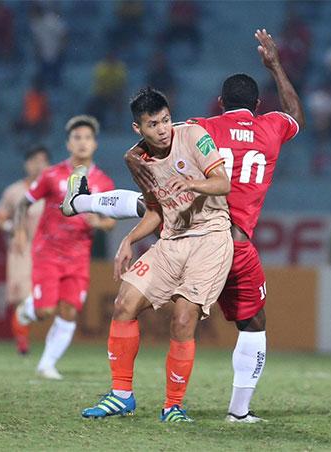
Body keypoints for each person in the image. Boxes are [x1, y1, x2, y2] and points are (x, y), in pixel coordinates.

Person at [64, 29, 304, 422]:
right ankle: (238, 412)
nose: (162, 127)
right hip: (232, 241)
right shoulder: (270, 127)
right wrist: (276, 65)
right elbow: (296, 115)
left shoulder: (199, 127)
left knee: (152, 210)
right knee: (252, 322)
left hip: (210, 235)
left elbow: (167, 162)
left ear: (221, 103)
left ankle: (82, 201)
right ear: (258, 104)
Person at [79, 88, 233, 422]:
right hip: (172, 239)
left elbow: (222, 183)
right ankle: (121, 395)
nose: (163, 129)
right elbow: (155, 210)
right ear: (139, 129)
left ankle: (173, 406)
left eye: (165, 120)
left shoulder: (193, 135)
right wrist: (129, 240)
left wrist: (193, 183)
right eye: (153, 124)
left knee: (182, 320)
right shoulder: (135, 159)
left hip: (211, 238)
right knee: (123, 304)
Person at [13, 116, 116, 380]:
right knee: (45, 311)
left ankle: (47, 364)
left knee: (69, 310)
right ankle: (28, 309)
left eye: (87, 138)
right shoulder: (51, 175)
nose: (82, 143)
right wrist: (20, 233)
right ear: (68, 144)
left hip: (79, 256)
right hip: (48, 252)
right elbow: (23, 204)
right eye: (77, 138)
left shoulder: (103, 183)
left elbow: (111, 222)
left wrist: (100, 222)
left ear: (95, 144)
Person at [0, 145, 50, 354]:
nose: (38, 164)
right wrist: (13, 227)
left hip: (49, 250)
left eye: (43, 160)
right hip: (23, 250)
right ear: (26, 164)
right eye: (34, 160)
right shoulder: (14, 191)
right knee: (23, 298)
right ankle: (23, 343)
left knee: (44, 303)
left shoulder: (54, 189)